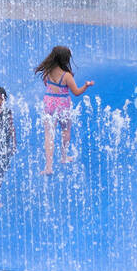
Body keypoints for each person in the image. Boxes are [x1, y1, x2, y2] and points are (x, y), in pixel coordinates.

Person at [35, 46, 94, 176]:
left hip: (49, 104)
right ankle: (64, 157)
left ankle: (49, 167)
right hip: (63, 105)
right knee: (65, 130)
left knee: (49, 135)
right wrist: (86, 85)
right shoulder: (66, 76)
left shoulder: (48, 71)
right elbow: (76, 92)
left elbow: (47, 84)